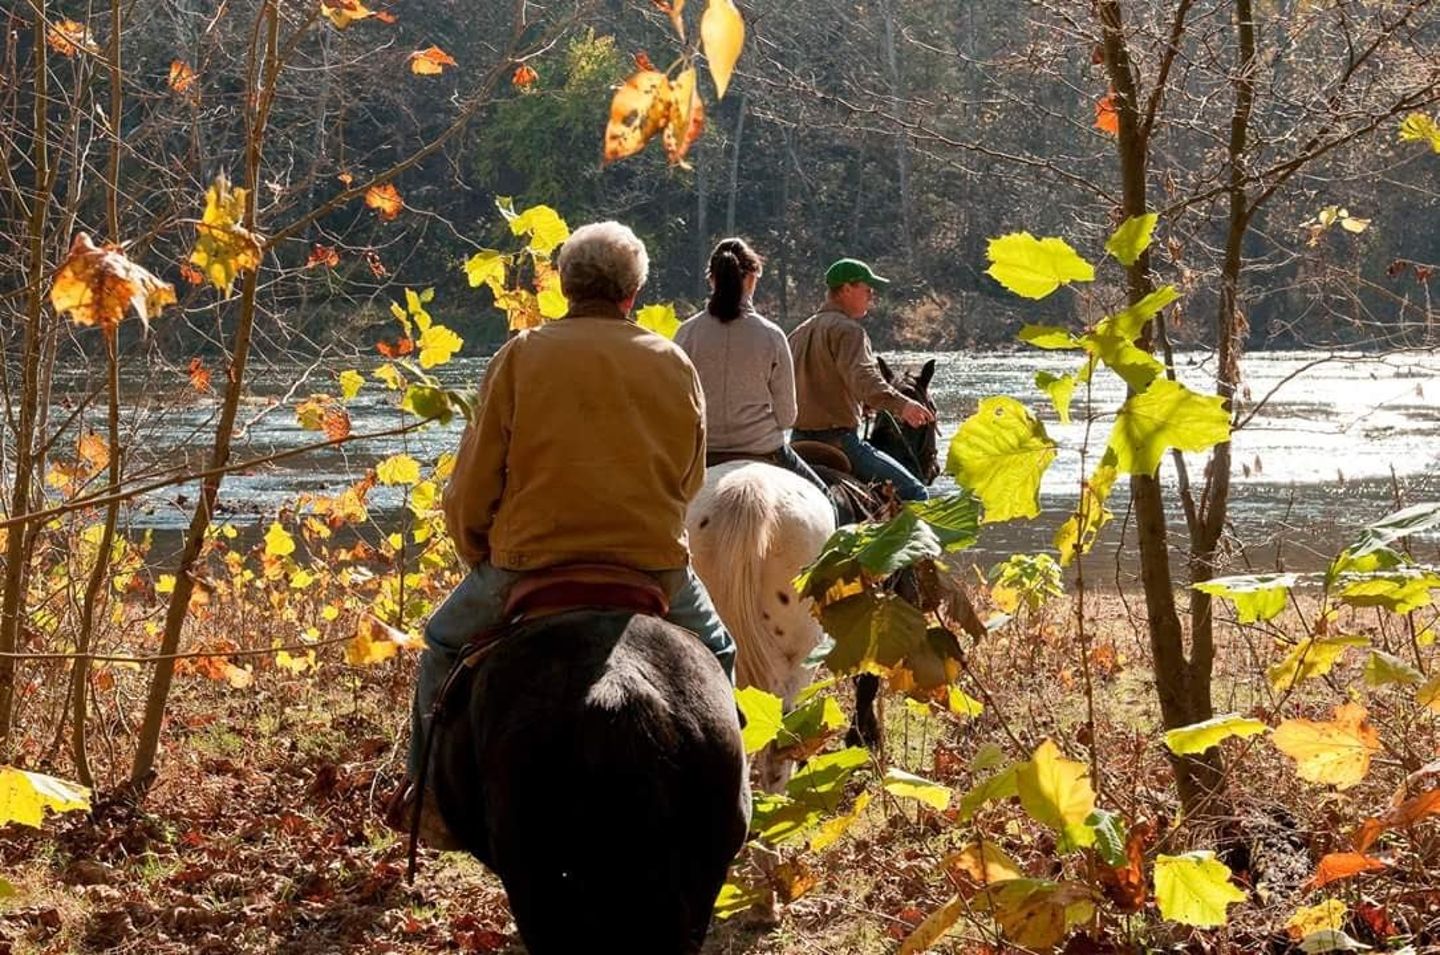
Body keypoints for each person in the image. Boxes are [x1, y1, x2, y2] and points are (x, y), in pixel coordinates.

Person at [390, 221, 736, 841]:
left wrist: (479, 550)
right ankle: (735, 804)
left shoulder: (520, 356)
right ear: (632, 293)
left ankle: (428, 799)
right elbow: (688, 481)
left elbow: (474, 481)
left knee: (441, 644)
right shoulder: (673, 362)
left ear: (565, 288)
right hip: (650, 566)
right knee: (723, 652)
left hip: (531, 564)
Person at [674, 238, 827, 494]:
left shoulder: (686, 333)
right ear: (752, 278)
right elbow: (788, 416)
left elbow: (676, 404)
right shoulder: (771, 335)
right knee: (827, 499)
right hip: (763, 448)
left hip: (702, 451)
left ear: (711, 280)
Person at [788, 258, 935, 502]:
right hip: (840, 443)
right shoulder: (849, 331)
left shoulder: (797, 333)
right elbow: (864, 378)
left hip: (796, 442)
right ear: (846, 289)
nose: (872, 295)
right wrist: (903, 405)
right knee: (916, 493)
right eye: (867, 289)